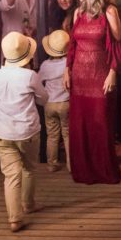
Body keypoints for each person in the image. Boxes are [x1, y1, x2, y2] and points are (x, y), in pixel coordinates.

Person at [65, 0, 121, 185]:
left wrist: (113, 73)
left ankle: (103, 170)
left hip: (100, 76)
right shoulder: (78, 13)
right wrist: (66, 69)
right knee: (81, 123)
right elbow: (73, 45)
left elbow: (117, 46)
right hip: (79, 76)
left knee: (100, 123)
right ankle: (83, 171)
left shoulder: (109, 12)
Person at [0, 32, 48, 232]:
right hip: (27, 132)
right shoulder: (30, 76)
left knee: (11, 176)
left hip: (2, 131)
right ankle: (28, 204)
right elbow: (44, 98)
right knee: (28, 168)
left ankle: (15, 219)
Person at [39, 30, 71, 173]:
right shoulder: (68, 64)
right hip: (65, 102)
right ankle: (71, 165)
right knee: (67, 134)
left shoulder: (45, 65)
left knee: (52, 135)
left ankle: (52, 163)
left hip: (50, 104)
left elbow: (39, 81)